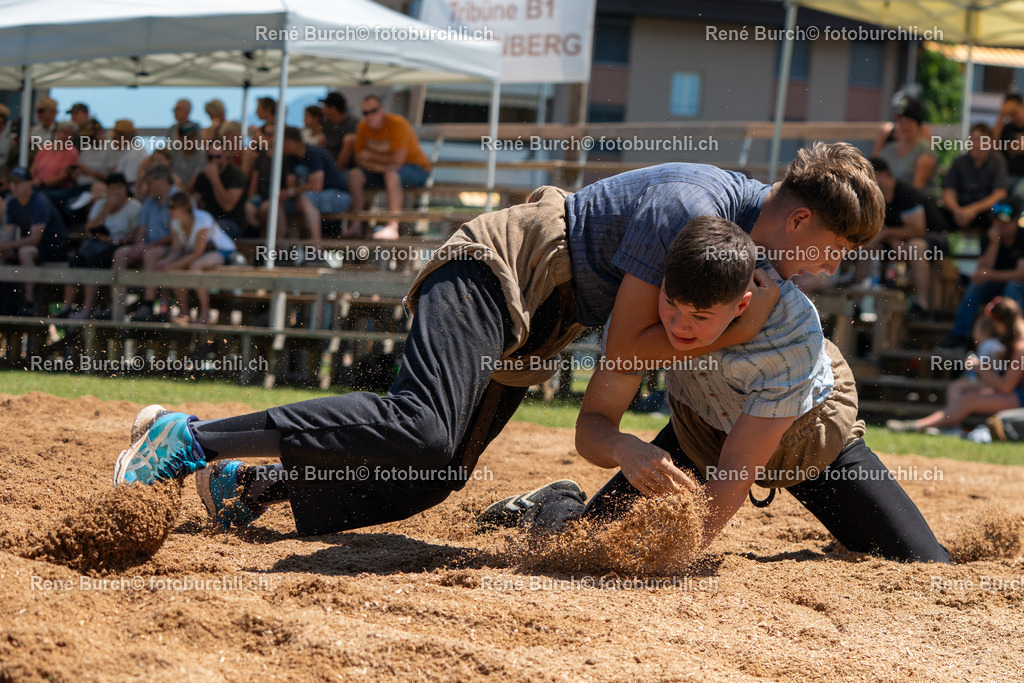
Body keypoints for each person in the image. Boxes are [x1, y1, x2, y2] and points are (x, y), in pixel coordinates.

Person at [110, 143, 879, 541]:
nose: (830, 267)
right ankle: (189, 437)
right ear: (802, 219)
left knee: (436, 471)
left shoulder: (744, 246)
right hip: (504, 267)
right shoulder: (691, 207)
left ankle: (254, 482)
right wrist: (742, 334)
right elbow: (632, 344)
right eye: (834, 248)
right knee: (422, 423)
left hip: (545, 314)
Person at [482, 216, 950, 564]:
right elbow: (592, 426)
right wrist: (625, 448)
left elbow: (735, 471)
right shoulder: (641, 320)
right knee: (582, 547)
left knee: (926, 565)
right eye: (672, 304)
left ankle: (856, 531)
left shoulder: (788, 335)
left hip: (807, 443)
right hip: (698, 435)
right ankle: (551, 502)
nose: (679, 326)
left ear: (742, 304)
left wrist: (674, 558)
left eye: (701, 317)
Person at [890, 297, 1024, 435]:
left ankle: (917, 426)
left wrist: (979, 367)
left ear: (1002, 322)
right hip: (1015, 393)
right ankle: (951, 427)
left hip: (1020, 398)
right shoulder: (1017, 341)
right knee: (959, 387)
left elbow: (1006, 387)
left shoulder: (1021, 346)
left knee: (970, 399)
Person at [861, 158, 950, 318]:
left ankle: (921, 304)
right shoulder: (873, 198)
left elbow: (918, 229)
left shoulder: (905, 193)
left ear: (884, 175)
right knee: (868, 247)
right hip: (899, 240)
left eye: (869, 176)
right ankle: (859, 300)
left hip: (933, 238)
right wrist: (889, 238)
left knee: (914, 247)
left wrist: (888, 234)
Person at [940, 201, 1024, 348]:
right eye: (997, 221)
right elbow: (982, 271)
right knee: (976, 286)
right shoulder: (989, 238)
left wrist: (990, 275)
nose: (1000, 226)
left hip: (1017, 288)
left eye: (1005, 222)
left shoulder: (1023, 238)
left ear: (1016, 220)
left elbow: (1021, 275)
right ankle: (959, 335)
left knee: (1013, 286)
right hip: (997, 285)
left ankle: (1011, 337)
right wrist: (994, 244)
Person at [57, 174, 141, 319]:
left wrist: (114, 241)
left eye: (119, 188)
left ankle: (87, 308)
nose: (116, 192)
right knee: (76, 261)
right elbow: (90, 228)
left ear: (125, 189)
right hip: (97, 243)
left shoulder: (134, 207)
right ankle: (66, 307)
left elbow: (136, 235)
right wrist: (106, 210)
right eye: (112, 188)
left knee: (94, 263)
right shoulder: (101, 204)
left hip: (118, 246)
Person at [346, 95, 430, 240]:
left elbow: (397, 161)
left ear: (382, 109)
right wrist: (381, 165)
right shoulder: (363, 127)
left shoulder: (398, 123)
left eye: (373, 111)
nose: (370, 116)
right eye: (365, 113)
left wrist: (371, 156)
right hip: (384, 170)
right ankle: (356, 224)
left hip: (416, 169)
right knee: (354, 175)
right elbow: (359, 159)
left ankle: (392, 226)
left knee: (391, 174)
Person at [156, 193, 236, 325]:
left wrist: (173, 264)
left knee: (194, 266)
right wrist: (167, 262)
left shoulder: (203, 218)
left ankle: (205, 313)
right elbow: (176, 250)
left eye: (173, 206)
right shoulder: (175, 223)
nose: (169, 210)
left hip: (220, 251)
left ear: (186, 207)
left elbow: (198, 251)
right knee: (176, 270)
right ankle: (184, 312)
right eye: (168, 206)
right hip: (197, 254)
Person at [1, 167, 69, 313]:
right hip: (34, 246)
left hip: (55, 246)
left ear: (29, 183)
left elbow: (35, 238)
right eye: (12, 182)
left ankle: (28, 302)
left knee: (25, 252)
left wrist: (6, 245)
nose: (14, 186)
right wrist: (3, 246)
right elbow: (7, 234)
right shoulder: (12, 203)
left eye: (18, 182)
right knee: (4, 254)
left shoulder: (39, 202)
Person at [116, 166, 178, 322]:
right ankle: (117, 303)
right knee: (120, 253)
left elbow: (176, 235)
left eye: (150, 183)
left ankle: (148, 304)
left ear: (163, 181)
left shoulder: (179, 199)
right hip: (150, 246)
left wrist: (147, 247)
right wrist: (139, 244)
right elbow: (142, 230)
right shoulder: (149, 203)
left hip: (174, 248)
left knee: (151, 254)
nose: (148, 188)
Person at [278, 126, 350, 251]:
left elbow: (316, 186)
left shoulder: (314, 152)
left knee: (306, 199)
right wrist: (291, 193)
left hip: (337, 196)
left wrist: (293, 192)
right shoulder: (290, 158)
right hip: (310, 198)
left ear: (289, 142)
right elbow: (291, 185)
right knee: (278, 201)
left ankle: (317, 250)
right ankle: (280, 249)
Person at [943, 123, 1009, 232]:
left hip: (986, 210)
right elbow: (948, 191)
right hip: (960, 207)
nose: (976, 144)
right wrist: (957, 210)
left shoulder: (998, 161)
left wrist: (973, 209)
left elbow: (1000, 193)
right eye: (973, 139)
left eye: (980, 140)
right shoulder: (959, 162)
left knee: (1002, 214)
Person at [878, 96, 938, 196]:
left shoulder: (925, 151)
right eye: (900, 121)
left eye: (909, 121)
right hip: (891, 202)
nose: (904, 126)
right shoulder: (888, 150)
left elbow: (915, 191)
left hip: (918, 205)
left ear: (918, 125)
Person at [192, 140, 247, 238]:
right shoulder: (202, 176)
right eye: (210, 157)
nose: (214, 161)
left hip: (230, 222)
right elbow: (195, 203)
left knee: (211, 230)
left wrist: (215, 179)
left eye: (218, 157)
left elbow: (227, 206)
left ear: (225, 155)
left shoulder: (235, 174)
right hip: (208, 220)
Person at [992, 93, 1024, 200]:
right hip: (1005, 175)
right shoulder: (1006, 129)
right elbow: (991, 146)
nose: (1013, 117)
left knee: (1019, 194)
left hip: (1021, 177)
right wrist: (1001, 116)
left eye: (1015, 112)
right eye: (1010, 114)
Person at [320, 92, 358, 168]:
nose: (322, 109)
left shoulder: (352, 123)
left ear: (333, 109)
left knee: (348, 141)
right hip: (328, 164)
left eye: (325, 106)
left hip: (347, 167)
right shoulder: (327, 123)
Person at [169, 122, 205, 190]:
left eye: (194, 136)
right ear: (180, 139)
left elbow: (195, 179)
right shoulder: (172, 151)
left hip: (194, 193)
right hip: (173, 191)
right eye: (188, 138)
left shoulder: (202, 154)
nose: (192, 140)